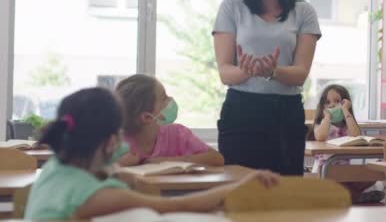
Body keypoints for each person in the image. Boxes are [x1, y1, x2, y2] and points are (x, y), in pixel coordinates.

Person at [25, 87, 278, 220]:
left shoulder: (54, 169)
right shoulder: (98, 195)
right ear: (112, 141)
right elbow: (179, 205)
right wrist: (242, 184)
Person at [212, 0, 321, 175]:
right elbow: (225, 72)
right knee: (237, 192)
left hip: (285, 113)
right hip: (241, 110)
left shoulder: (304, 12)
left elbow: (301, 73)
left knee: (284, 195)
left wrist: (274, 71)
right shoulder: (231, 8)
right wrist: (245, 70)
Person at [114, 74, 224, 167]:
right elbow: (98, 176)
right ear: (147, 117)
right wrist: (118, 165)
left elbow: (217, 159)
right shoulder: (114, 142)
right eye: (164, 98)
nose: (170, 100)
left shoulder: (178, 134)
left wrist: (167, 162)